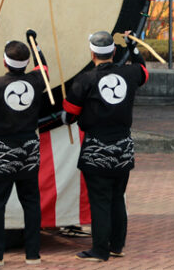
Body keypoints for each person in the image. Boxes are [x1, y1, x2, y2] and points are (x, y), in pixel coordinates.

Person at [63, 31, 148, 262]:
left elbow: (69, 114)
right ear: (114, 51)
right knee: (118, 197)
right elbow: (144, 71)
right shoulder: (130, 73)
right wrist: (132, 47)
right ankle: (117, 245)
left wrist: (67, 113)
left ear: (92, 54)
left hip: (97, 147)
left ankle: (100, 250)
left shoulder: (85, 80)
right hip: (123, 146)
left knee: (100, 200)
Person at [0, 37, 48, 266]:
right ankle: (33, 254)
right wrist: (35, 44)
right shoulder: (36, 81)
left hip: (2, 149)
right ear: (27, 62)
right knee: (31, 202)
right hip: (29, 148)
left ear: (4, 62)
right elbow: (44, 68)